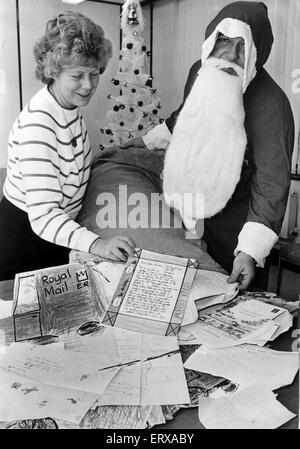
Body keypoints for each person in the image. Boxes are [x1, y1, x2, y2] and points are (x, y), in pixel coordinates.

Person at [122, 1, 295, 290]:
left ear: (255, 53)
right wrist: (145, 142)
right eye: (223, 42)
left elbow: (271, 184)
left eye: (241, 47)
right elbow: (185, 116)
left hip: (235, 233)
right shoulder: (199, 71)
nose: (229, 56)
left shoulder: (272, 106)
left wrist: (249, 252)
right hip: (190, 216)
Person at [0, 11, 135, 281]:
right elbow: (44, 216)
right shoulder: (38, 124)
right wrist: (97, 244)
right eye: (77, 76)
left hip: (57, 236)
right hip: (24, 243)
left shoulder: (69, 109)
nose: (88, 85)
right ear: (53, 72)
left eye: (94, 73)